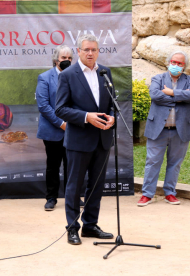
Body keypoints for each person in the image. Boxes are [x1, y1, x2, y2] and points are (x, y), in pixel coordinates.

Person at [55, 34, 115, 245]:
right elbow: (60, 109)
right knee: (75, 186)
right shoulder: (68, 75)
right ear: (78, 52)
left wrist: (112, 117)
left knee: (96, 186)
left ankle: (90, 225)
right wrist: (85, 117)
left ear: (98, 52)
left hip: (102, 139)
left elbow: (111, 104)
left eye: (94, 50)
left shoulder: (105, 72)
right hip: (79, 140)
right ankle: (73, 228)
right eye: (86, 50)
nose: (90, 53)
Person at [137, 51, 190, 207]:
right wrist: (180, 97)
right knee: (152, 162)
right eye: (174, 62)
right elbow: (155, 95)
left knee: (175, 163)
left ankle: (170, 193)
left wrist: (171, 93)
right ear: (168, 62)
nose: (176, 65)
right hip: (158, 129)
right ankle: (147, 194)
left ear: (184, 66)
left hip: (180, 130)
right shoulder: (158, 78)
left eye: (180, 63)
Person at [36, 45, 76, 211]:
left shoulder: (76, 77)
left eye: (69, 58)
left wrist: (73, 122)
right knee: (53, 166)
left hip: (73, 129)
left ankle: (71, 198)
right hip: (53, 131)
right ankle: (51, 198)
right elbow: (43, 105)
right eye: (63, 58)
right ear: (55, 60)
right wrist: (61, 123)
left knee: (72, 166)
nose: (66, 61)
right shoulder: (44, 78)